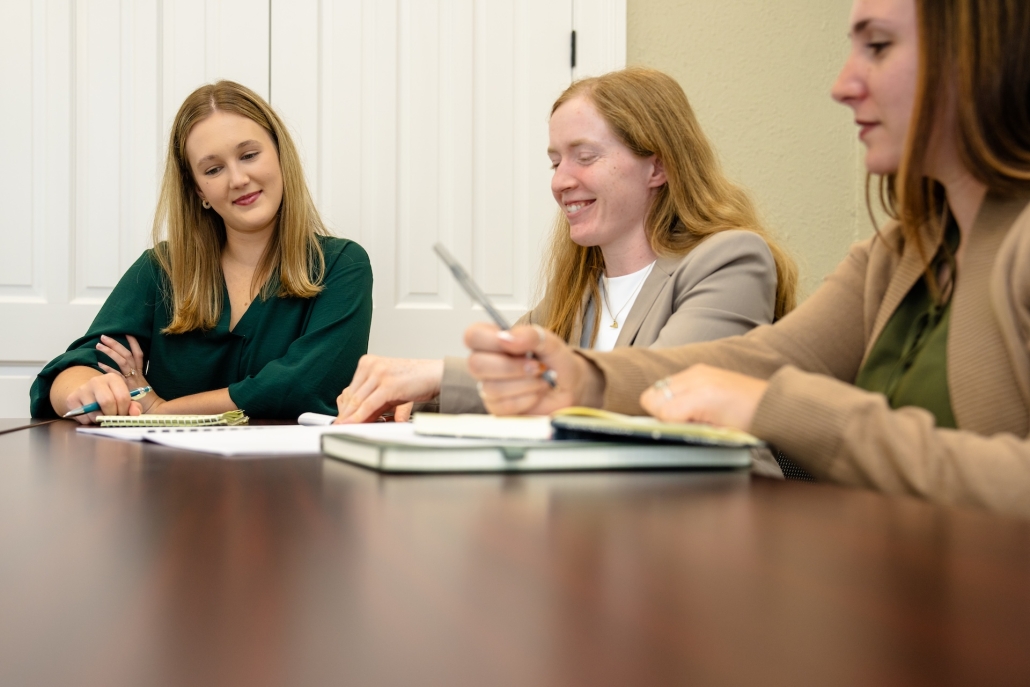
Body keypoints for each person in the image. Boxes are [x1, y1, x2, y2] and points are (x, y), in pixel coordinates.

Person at [463, 0, 1030, 517]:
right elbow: (759, 360)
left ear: (979, 56)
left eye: (877, 47)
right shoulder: (896, 255)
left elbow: (762, 386)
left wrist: (785, 408)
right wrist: (581, 379)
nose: (842, 85)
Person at [335, 68, 797, 423]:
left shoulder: (732, 260)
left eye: (585, 156)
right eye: (555, 161)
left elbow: (667, 391)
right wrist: (413, 402)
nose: (560, 181)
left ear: (657, 167)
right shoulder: (574, 294)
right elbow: (511, 387)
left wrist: (437, 375)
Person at [31, 81, 373, 422]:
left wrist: (162, 410)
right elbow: (77, 367)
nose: (238, 178)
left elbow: (304, 386)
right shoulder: (162, 268)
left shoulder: (342, 266)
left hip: (293, 475)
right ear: (199, 190)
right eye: (213, 169)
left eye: (249, 155)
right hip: (172, 475)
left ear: (281, 155)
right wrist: (89, 387)